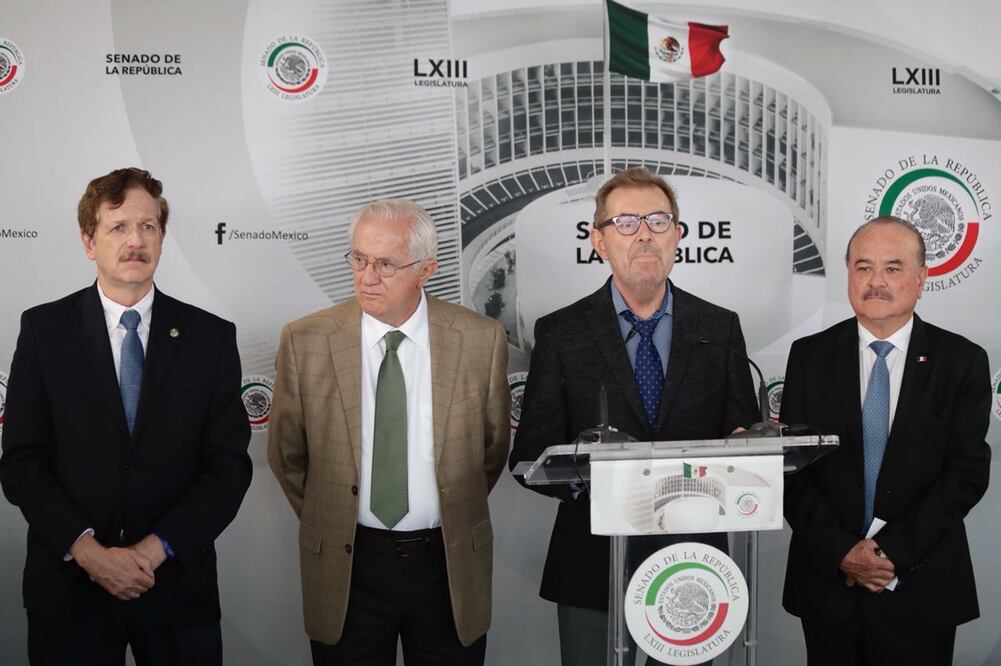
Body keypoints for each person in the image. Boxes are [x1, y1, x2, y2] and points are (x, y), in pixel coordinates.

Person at [0, 168, 253, 665]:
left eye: (148, 227)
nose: (135, 240)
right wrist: (92, 555)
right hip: (70, 591)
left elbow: (227, 470)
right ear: (88, 241)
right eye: (118, 227)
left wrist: (152, 552)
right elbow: (22, 462)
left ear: (161, 236)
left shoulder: (211, 338)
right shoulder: (44, 330)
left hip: (176, 586)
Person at [509, 167, 758, 666]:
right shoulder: (561, 333)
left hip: (694, 565)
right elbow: (530, 456)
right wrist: (598, 486)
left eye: (658, 220)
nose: (644, 233)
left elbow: (745, 442)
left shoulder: (718, 328)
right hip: (591, 562)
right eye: (625, 222)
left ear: (678, 236)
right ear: (599, 240)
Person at [267, 199, 510, 666]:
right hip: (349, 563)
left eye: (384, 263)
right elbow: (287, 456)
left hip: (447, 563)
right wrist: (335, 514)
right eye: (358, 258)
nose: (366, 275)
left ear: (426, 269)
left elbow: (491, 449)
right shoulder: (305, 340)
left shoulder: (480, 339)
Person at [780, 216, 991, 666]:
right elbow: (791, 470)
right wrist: (843, 552)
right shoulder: (808, 356)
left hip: (922, 585)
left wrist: (888, 553)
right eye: (863, 267)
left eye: (893, 268)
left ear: (921, 279)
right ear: (848, 276)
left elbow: (967, 472)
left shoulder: (963, 361)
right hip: (828, 586)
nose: (875, 282)